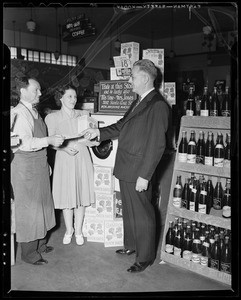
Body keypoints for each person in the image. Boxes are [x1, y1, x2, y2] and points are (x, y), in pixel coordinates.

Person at [81, 59, 170, 273]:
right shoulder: (139, 101)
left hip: (139, 170)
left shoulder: (158, 105)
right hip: (126, 165)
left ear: (145, 78)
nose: (129, 79)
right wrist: (99, 133)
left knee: (142, 214)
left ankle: (146, 256)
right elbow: (122, 125)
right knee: (129, 211)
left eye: (132, 75)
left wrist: (145, 176)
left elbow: (157, 145)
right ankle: (131, 245)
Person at [11, 76, 65, 265]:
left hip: (39, 165)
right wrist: (49, 141)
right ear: (23, 91)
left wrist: (46, 163)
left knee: (43, 205)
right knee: (29, 210)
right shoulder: (19, 114)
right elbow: (24, 143)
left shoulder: (34, 111)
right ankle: (28, 253)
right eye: (36, 90)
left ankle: (41, 244)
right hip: (25, 169)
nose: (40, 93)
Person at [45, 85, 95, 246]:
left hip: (82, 156)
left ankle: (78, 230)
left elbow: (91, 139)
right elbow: (50, 142)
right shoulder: (52, 118)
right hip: (64, 157)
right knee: (67, 196)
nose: (73, 100)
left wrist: (92, 138)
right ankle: (69, 230)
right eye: (69, 97)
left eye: (74, 97)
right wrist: (65, 148)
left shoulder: (83, 115)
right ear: (61, 98)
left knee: (80, 195)